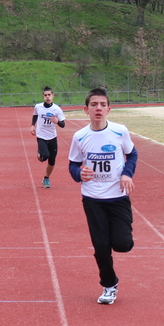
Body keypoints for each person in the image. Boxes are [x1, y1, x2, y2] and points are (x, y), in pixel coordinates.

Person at [67, 88, 138, 305]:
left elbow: (132, 154)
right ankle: (109, 285)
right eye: (94, 104)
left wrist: (126, 174)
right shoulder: (80, 136)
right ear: (86, 109)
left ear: (109, 109)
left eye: (102, 105)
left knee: (123, 244)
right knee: (101, 247)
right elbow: (72, 164)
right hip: (92, 199)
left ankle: (121, 238)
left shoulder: (119, 131)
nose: (98, 108)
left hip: (118, 197)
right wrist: (80, 173)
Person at [30, 86, 66, 188]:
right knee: (44, 156)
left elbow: (63, 125)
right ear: (43, 96)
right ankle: (40, 153)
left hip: (52, 137)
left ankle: (46, 178)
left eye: (49, 95)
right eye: (45, 95)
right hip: (41, 135)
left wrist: (57, 121)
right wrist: (33, 125)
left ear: (53, 96)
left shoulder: (57, 109)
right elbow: (35, 115)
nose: (47, 97)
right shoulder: (38, 106)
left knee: (52, 160)